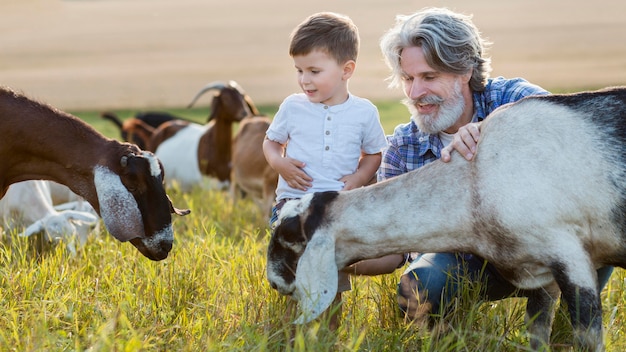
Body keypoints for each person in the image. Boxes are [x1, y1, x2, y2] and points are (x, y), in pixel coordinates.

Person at [361, 7, 614, 324]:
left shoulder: (513, 99)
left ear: (465, 70)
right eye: (408, 78)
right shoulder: (402, 148)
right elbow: (393, 251)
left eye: (429, 77)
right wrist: (334, 254)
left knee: (598, 218)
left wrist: (496, 132)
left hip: (547, 252)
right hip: (467, 266)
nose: (415, 92)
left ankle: (566, 335)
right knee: (420, 285)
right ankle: (456, 340)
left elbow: (579, 145)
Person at [263, 12, 388, 329]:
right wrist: (280, 163)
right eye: (299, 71)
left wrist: (359, 178)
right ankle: (290, 328)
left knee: (329, 268)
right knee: (302, 258)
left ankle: (327, 333)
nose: (304, 79)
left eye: (314, 71)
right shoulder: (293, 106)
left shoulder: (363, 112)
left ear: (347, 70)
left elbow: (374, 154)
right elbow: (271, 143)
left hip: (336, 206)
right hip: (292, 203)